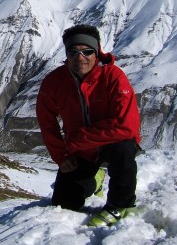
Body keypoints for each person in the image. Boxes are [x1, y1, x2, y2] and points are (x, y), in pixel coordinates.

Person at [36, 24, 141, 226]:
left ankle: (120, 205)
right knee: (64, 202)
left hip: (112, 144)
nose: (80, 57)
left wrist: (79, 139)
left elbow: (126, 126)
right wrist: (62, 156)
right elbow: (46, 120)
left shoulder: (113, 77)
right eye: (73, 52)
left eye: (87, 52)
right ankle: (96, 180)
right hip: (82, 152)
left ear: (97, 52)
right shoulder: (55, 81)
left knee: (125, 147)